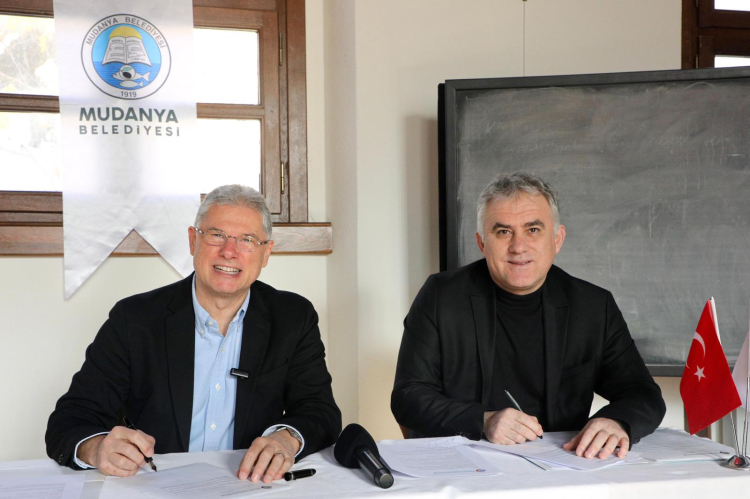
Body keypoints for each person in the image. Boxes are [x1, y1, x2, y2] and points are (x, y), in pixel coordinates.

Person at [46, 185, 341, 481]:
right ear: (192, 240)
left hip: (250, 485)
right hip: (155, 485)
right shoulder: (134, 319)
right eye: (216, 235)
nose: (229, 251)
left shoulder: (293, 318)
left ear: (266, 253)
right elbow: (70, 419)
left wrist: (287, 439)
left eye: (247, 240)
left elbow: (320, 412)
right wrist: (97, 448)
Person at [391, 172, 665, 460]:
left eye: (533, 229)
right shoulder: (441, 297)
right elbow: (408, 396)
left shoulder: (593, 306)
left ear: (557, 239)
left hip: (562, 465)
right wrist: (483, 420)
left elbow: (642, 392)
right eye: (503, 232)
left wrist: (616, 421)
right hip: (466, 463)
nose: (518, 247)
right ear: (482, 243)